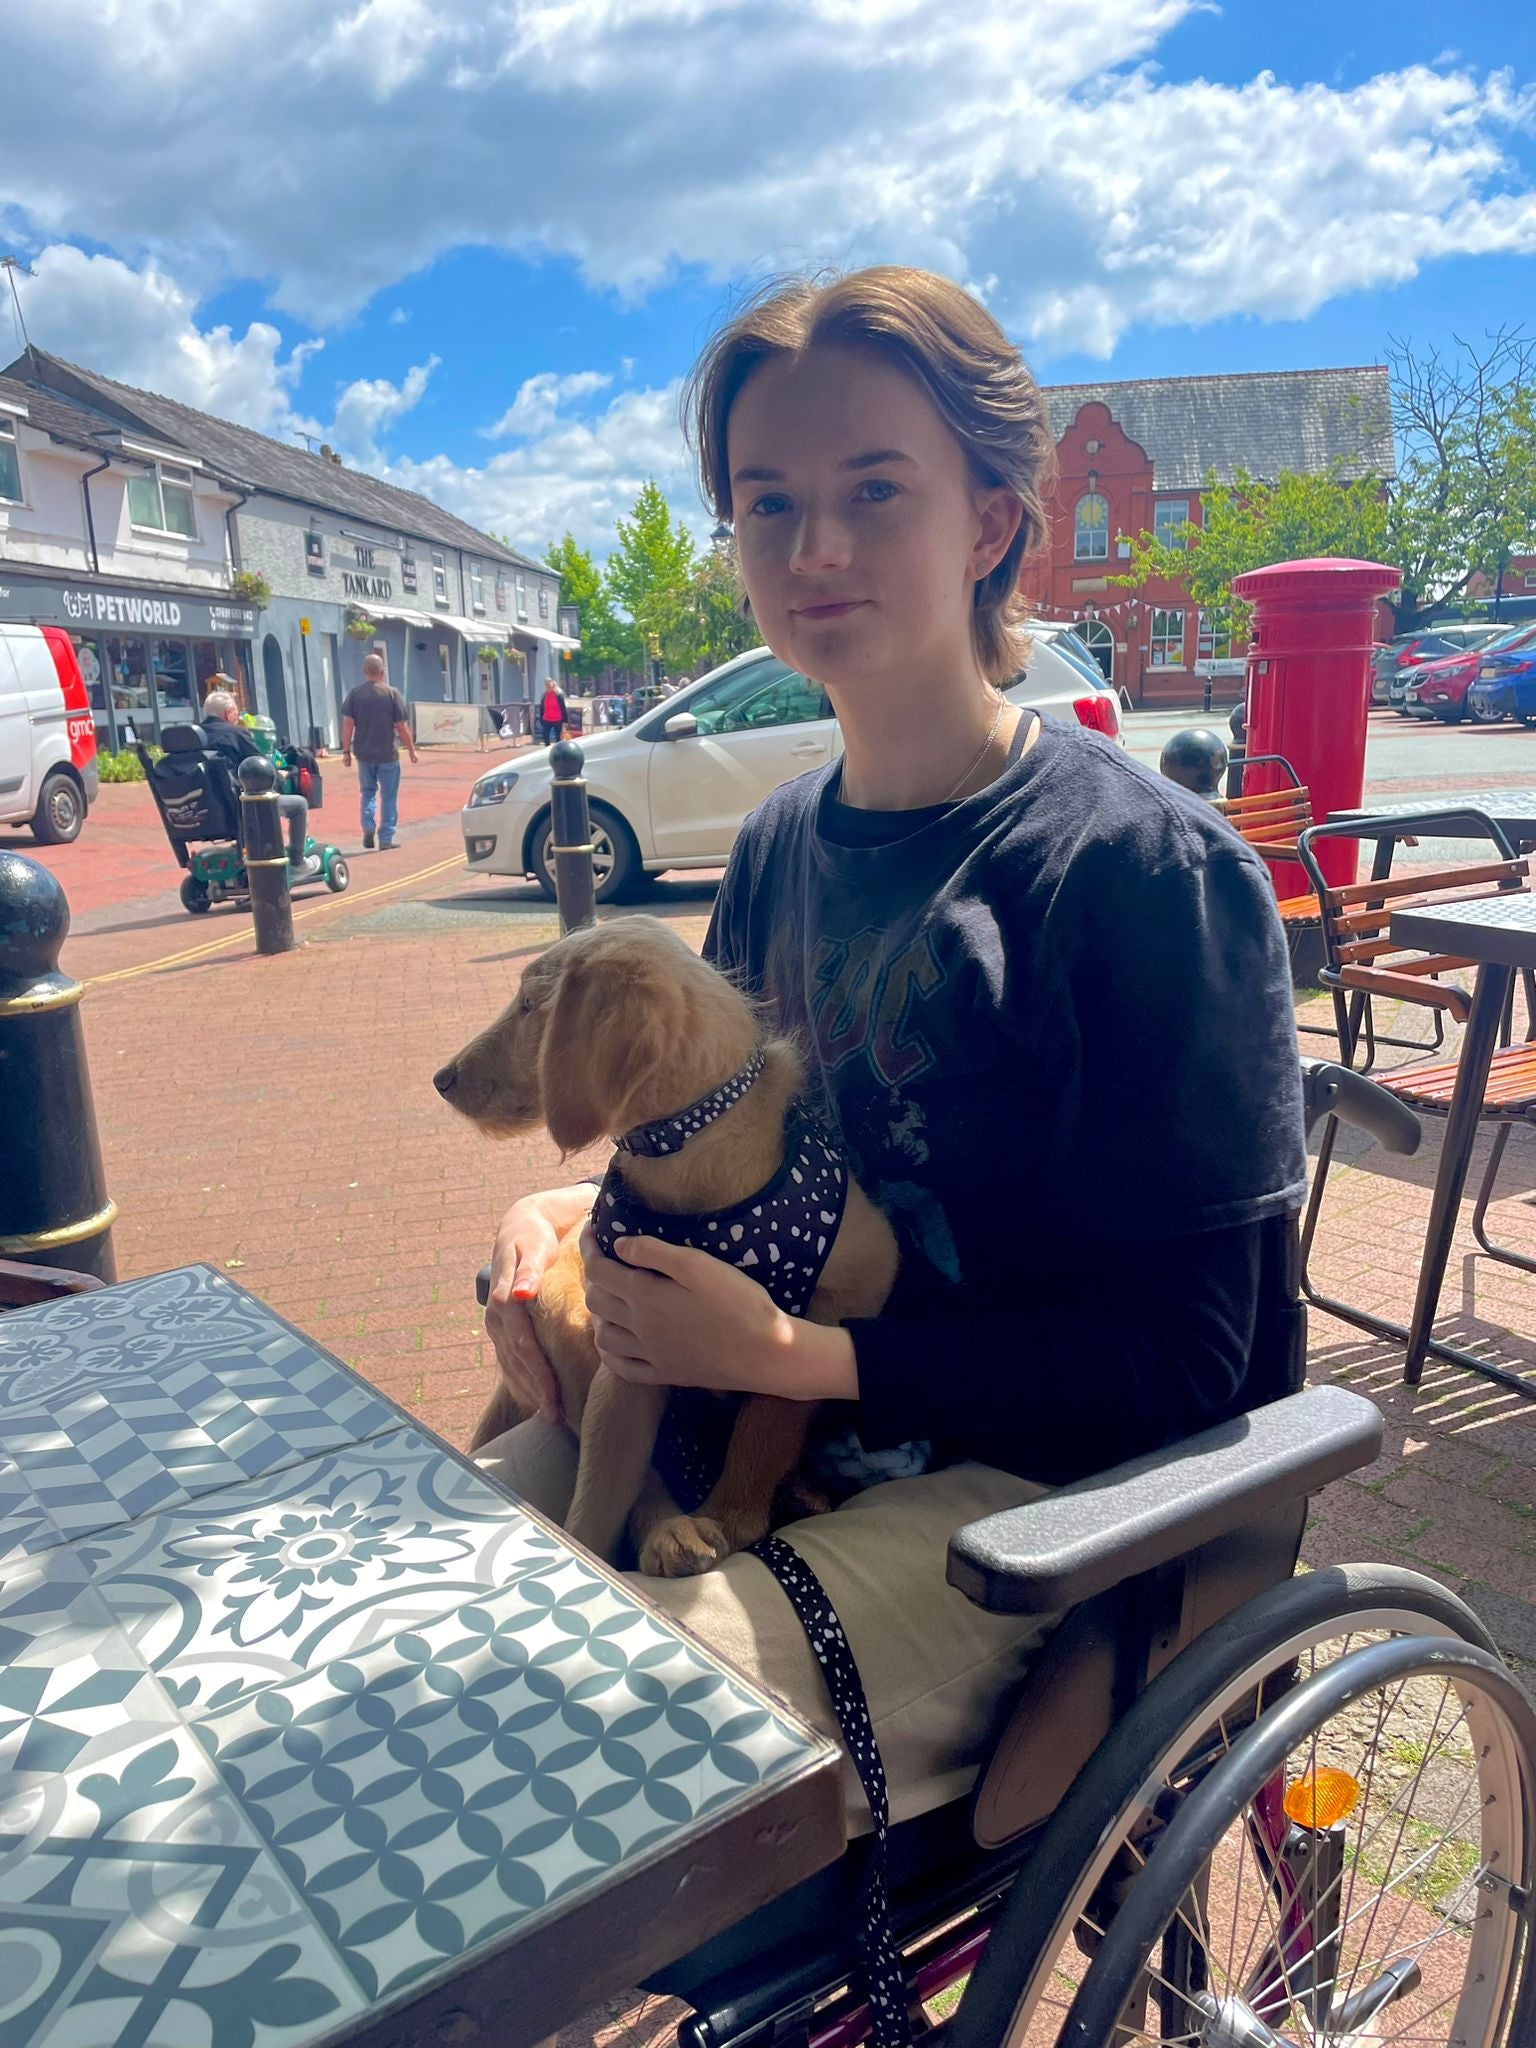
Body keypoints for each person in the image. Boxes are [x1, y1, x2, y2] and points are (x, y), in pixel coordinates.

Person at [475, 267, 1306, 1837]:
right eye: (767, 502)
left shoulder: (1143, 878)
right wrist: (574, 1218)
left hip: (1043, 1500)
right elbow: (746, 1159)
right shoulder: (783, 845)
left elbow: (1195, 1362)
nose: (816, 549)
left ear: (991, 522)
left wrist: (798, 1360)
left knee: (576, 1727)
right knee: (443, 1601)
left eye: (874, 491)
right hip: (767, 1436)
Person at [199, 685, 316, 874]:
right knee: (299, 805)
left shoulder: (196, 738)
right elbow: (263, 767)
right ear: (228, 714)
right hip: (242, 806)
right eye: (236, 714)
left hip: (203, 811)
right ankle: (297, 861)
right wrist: (281, 776)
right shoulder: (235, 734)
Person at [341, 654, 416, 850]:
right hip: (387, 755)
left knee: (367, 792)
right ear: (382, 672)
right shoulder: (392, 694)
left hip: (364, 754)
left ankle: (367, 825)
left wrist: (346, 751)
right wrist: (411, 751)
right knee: (389, 796)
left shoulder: (355, 694)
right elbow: (401, 727)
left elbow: (348, 725)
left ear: (365, 672)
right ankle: (386, 839)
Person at [538, 680, 567, 745]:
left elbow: (563, 707)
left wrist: (565, 720)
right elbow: (542, 708)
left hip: (557, 718)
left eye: (549, 686)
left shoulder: (558, 695)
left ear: (553, 686)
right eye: (546, 686)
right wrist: (541, 718)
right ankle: (547, 746)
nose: (547, 687)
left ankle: (559, 748)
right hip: (547, 718)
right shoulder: (544, 695)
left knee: (558, 736)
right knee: (545, 734)